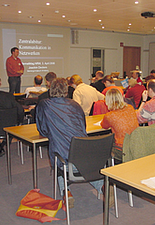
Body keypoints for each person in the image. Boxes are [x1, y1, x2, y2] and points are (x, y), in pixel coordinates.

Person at [36, 78, 103, 207]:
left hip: (65, 157)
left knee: (59, 158)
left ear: (51, 89)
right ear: (66, 90)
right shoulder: (75, 105)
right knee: (79, 164)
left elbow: (42, 130)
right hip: (86, 153)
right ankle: (103, 187)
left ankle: (67, 192)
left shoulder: (45, 104)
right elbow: (83, 127)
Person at [101, 88, 139, 162]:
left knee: (102, 145)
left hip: (121, 149)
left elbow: (104, 126)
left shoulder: (110, 116)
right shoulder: (130, 108)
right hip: (135, 144)